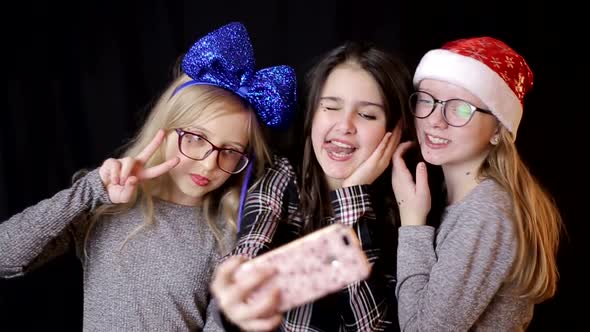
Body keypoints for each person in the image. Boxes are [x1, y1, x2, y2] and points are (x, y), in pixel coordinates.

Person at [0, 22, 296, 331]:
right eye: (195, 137)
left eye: (231, 150)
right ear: (165, 130)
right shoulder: (102, 205)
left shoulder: (225, 232)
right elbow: (5, 256)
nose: (209, 165)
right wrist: (92, 189)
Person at [210, 41, 413, 331]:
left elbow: (373, 327)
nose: (345, 125)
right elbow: (252, 244)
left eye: (367, 115)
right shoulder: (281, 175)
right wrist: (240, 285)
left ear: (394, 132)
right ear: (312, 116)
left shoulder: (405, 208)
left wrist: (351, 198)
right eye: (330, 107)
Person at [391, 36, 563, 331]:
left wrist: (412, 224)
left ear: (498, 130)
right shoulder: (468, 201)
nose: (435, 121)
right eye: (426, 100)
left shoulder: (486, 211)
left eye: (460, 109)